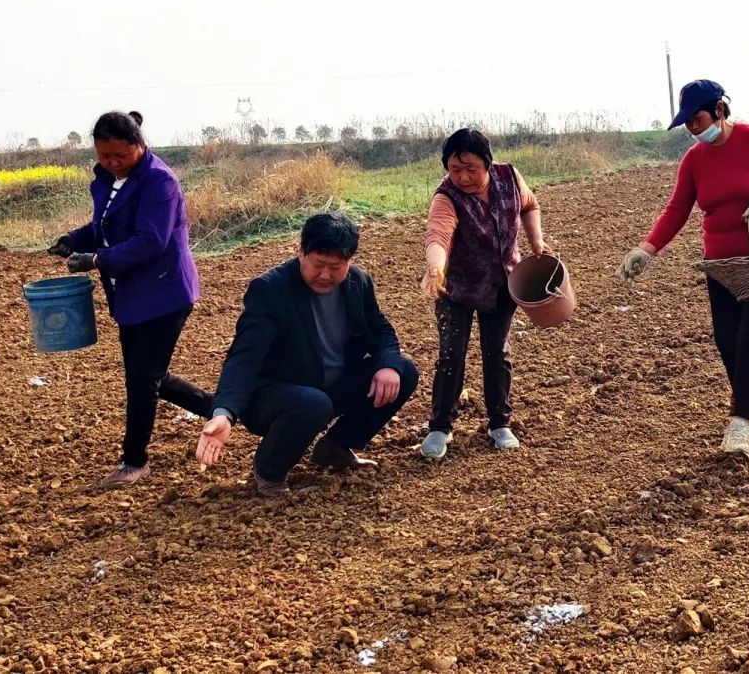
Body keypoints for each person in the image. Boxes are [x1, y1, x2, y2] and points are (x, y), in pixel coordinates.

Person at [616, 80, 749, 458]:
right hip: (721, 264)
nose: (693, 128)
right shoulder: (694, 160)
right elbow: (676, 210)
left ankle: (739, 422)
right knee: (727, 340)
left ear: (719, 110)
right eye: (687, 123)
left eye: (697, 119)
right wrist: (646, 249)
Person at [195, 213, 418, 497]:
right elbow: (244, 356)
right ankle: (269, 472)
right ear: (301, 251)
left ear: (350, 261)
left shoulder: (357, 282)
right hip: (275, 395)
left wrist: (388, 365)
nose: (325, 275)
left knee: (403, 371)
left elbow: (381, 329)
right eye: (318, 265)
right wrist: (224, 412)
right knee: (313, 403)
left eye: (335, 267)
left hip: (327, 386)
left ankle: (335, 448)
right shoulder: (270, 289)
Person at [48, 111, 211, 489]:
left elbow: (150, 241)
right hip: (131, 294)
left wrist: (97, 259)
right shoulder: (108, 181)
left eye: (120, 155)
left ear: (139, 145)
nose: (113, 163)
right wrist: (75, 239)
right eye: (105, 156)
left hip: (163, 291)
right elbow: (104, 225)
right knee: (151, 375)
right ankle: (223, 409)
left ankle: (134, 461)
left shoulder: (159, 182)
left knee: (142, 381)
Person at [418, 129, 550, 459]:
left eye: (471, 168)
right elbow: (439, 234)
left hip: (502, 282)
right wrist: (436, 269)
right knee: (452, 354)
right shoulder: (446, 197)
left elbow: (530, 205)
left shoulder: (509, 176)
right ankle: (440, 427)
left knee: (497, 351)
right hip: (456, 287)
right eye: (454, 168)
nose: (462, 176)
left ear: (487, 164)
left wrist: (536, 241)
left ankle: (499, 423)